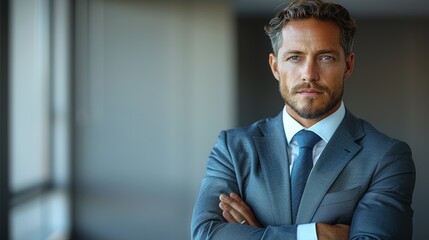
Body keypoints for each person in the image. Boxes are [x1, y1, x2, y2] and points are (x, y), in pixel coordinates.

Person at [191, 0, 416, 239]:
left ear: (348, 66)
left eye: (326, 58)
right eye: (295, 58)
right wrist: (314, 234)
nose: (309, 74)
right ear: (275, 66)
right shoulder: (233, 148)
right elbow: (206, 233)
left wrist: (258, 233)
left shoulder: (386, 157)